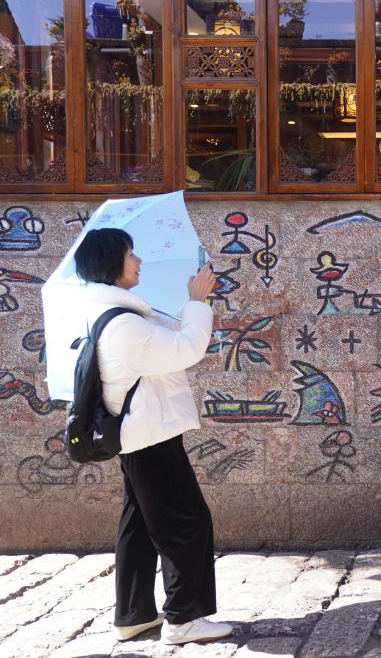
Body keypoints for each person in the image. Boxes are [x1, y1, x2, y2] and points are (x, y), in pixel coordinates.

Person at [73, 228, 230, 644]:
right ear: (111, 263)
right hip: (150, 436)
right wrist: (196, 301)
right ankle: (183, 619)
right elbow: (185, 349)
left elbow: (167, 340)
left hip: (142, 433)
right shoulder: (124, 325)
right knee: (187, 522)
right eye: (131, 254)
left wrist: (188, 304)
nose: (138, 261)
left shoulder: (119, 315)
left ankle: (134, 615)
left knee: (140, 524)